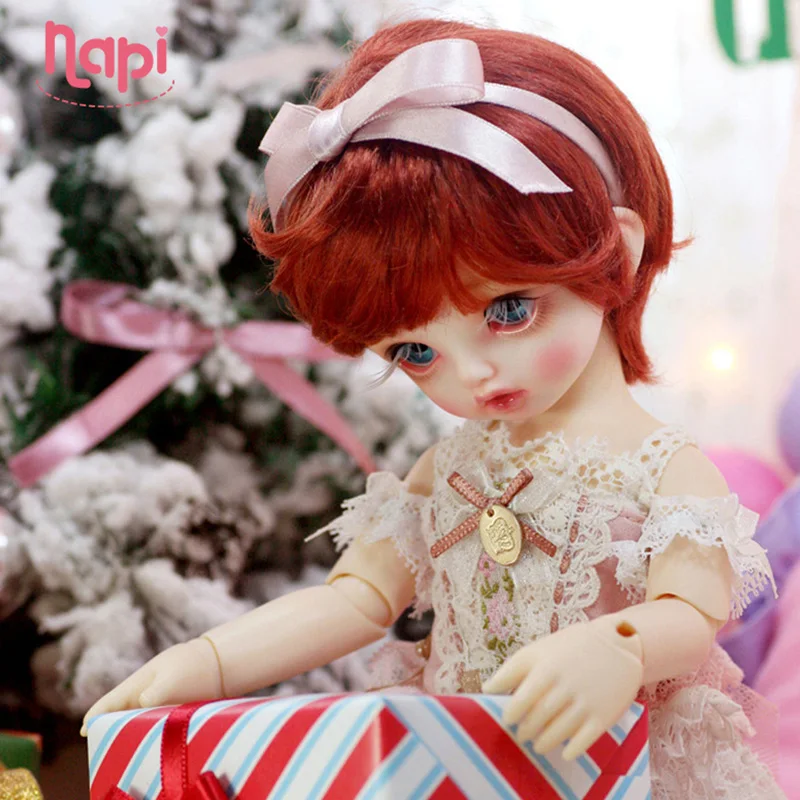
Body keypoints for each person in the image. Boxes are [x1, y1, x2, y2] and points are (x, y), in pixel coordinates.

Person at [83, 18, 784, 798]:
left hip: (627, 771)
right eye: (415, 352)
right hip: (463, 769)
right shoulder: (443, 474)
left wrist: (622, 645)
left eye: (510, 311)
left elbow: (690, 614)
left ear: (615, 249)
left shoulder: (662, 468)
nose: (475, 374)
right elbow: (354, 600)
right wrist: (208, 661)